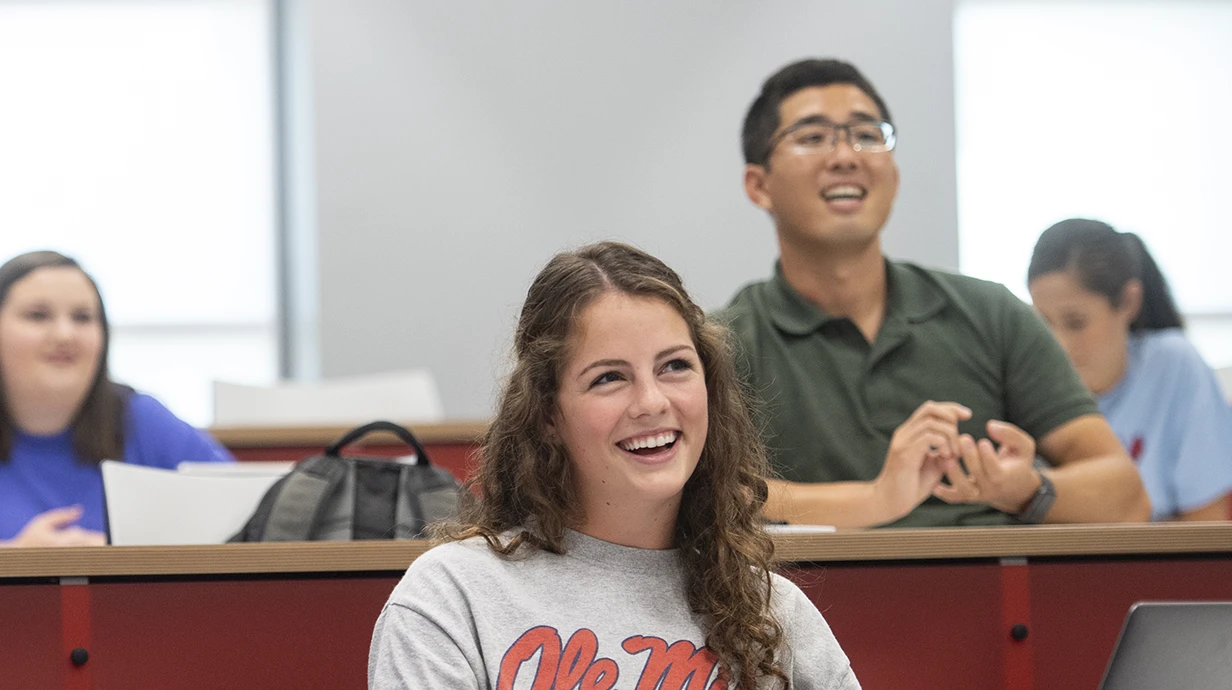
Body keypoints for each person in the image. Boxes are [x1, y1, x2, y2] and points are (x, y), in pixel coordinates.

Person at [369, 242, 860, 689]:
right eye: (608, 378)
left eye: (675, 366)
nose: (651, 402)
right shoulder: (451, 599)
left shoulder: (772, 612)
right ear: (546, 416)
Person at [719, 58, 1150, 528]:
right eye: (812, 138)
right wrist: (879, 498)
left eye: (867, 135)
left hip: (995, 595)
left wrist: (1027, 490)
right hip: (815, 601)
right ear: (758, 186)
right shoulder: (722, 344)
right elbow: (710, 499)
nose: (846, 157)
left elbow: (1125, 496)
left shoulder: (990, 313)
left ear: (893, 175)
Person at [0, 251, 233, 547]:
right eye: (38, 315)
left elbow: (246, 522)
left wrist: (121, 559)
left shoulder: (141, 419)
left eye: (82, 317)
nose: (64, 334)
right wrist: (13, 557)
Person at [1028, 218, 1232, 521]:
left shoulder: (1174, 366)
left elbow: (1208, 531)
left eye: (1076, 322)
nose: (1059, 346)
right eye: (1042, 323)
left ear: (1128, 301)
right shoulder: (1024, 379)